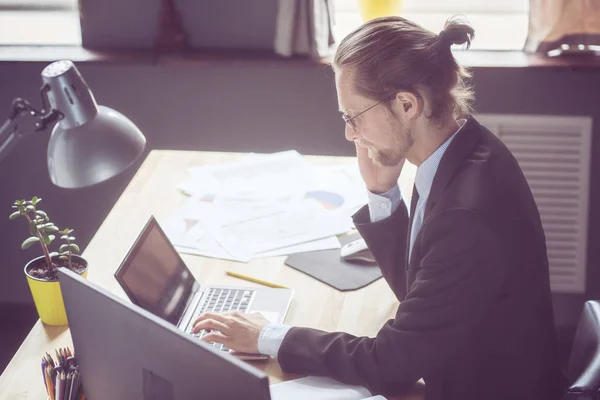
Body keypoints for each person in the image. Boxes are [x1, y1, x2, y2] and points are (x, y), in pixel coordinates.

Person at [192, 16, 564, 400]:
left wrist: (267, 336)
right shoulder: (462, 149)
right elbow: (419, 291)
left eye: (353, 116)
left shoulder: (465, 215)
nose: (350, 133)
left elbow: (393, 362)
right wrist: (382, 192)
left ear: (406, 104)